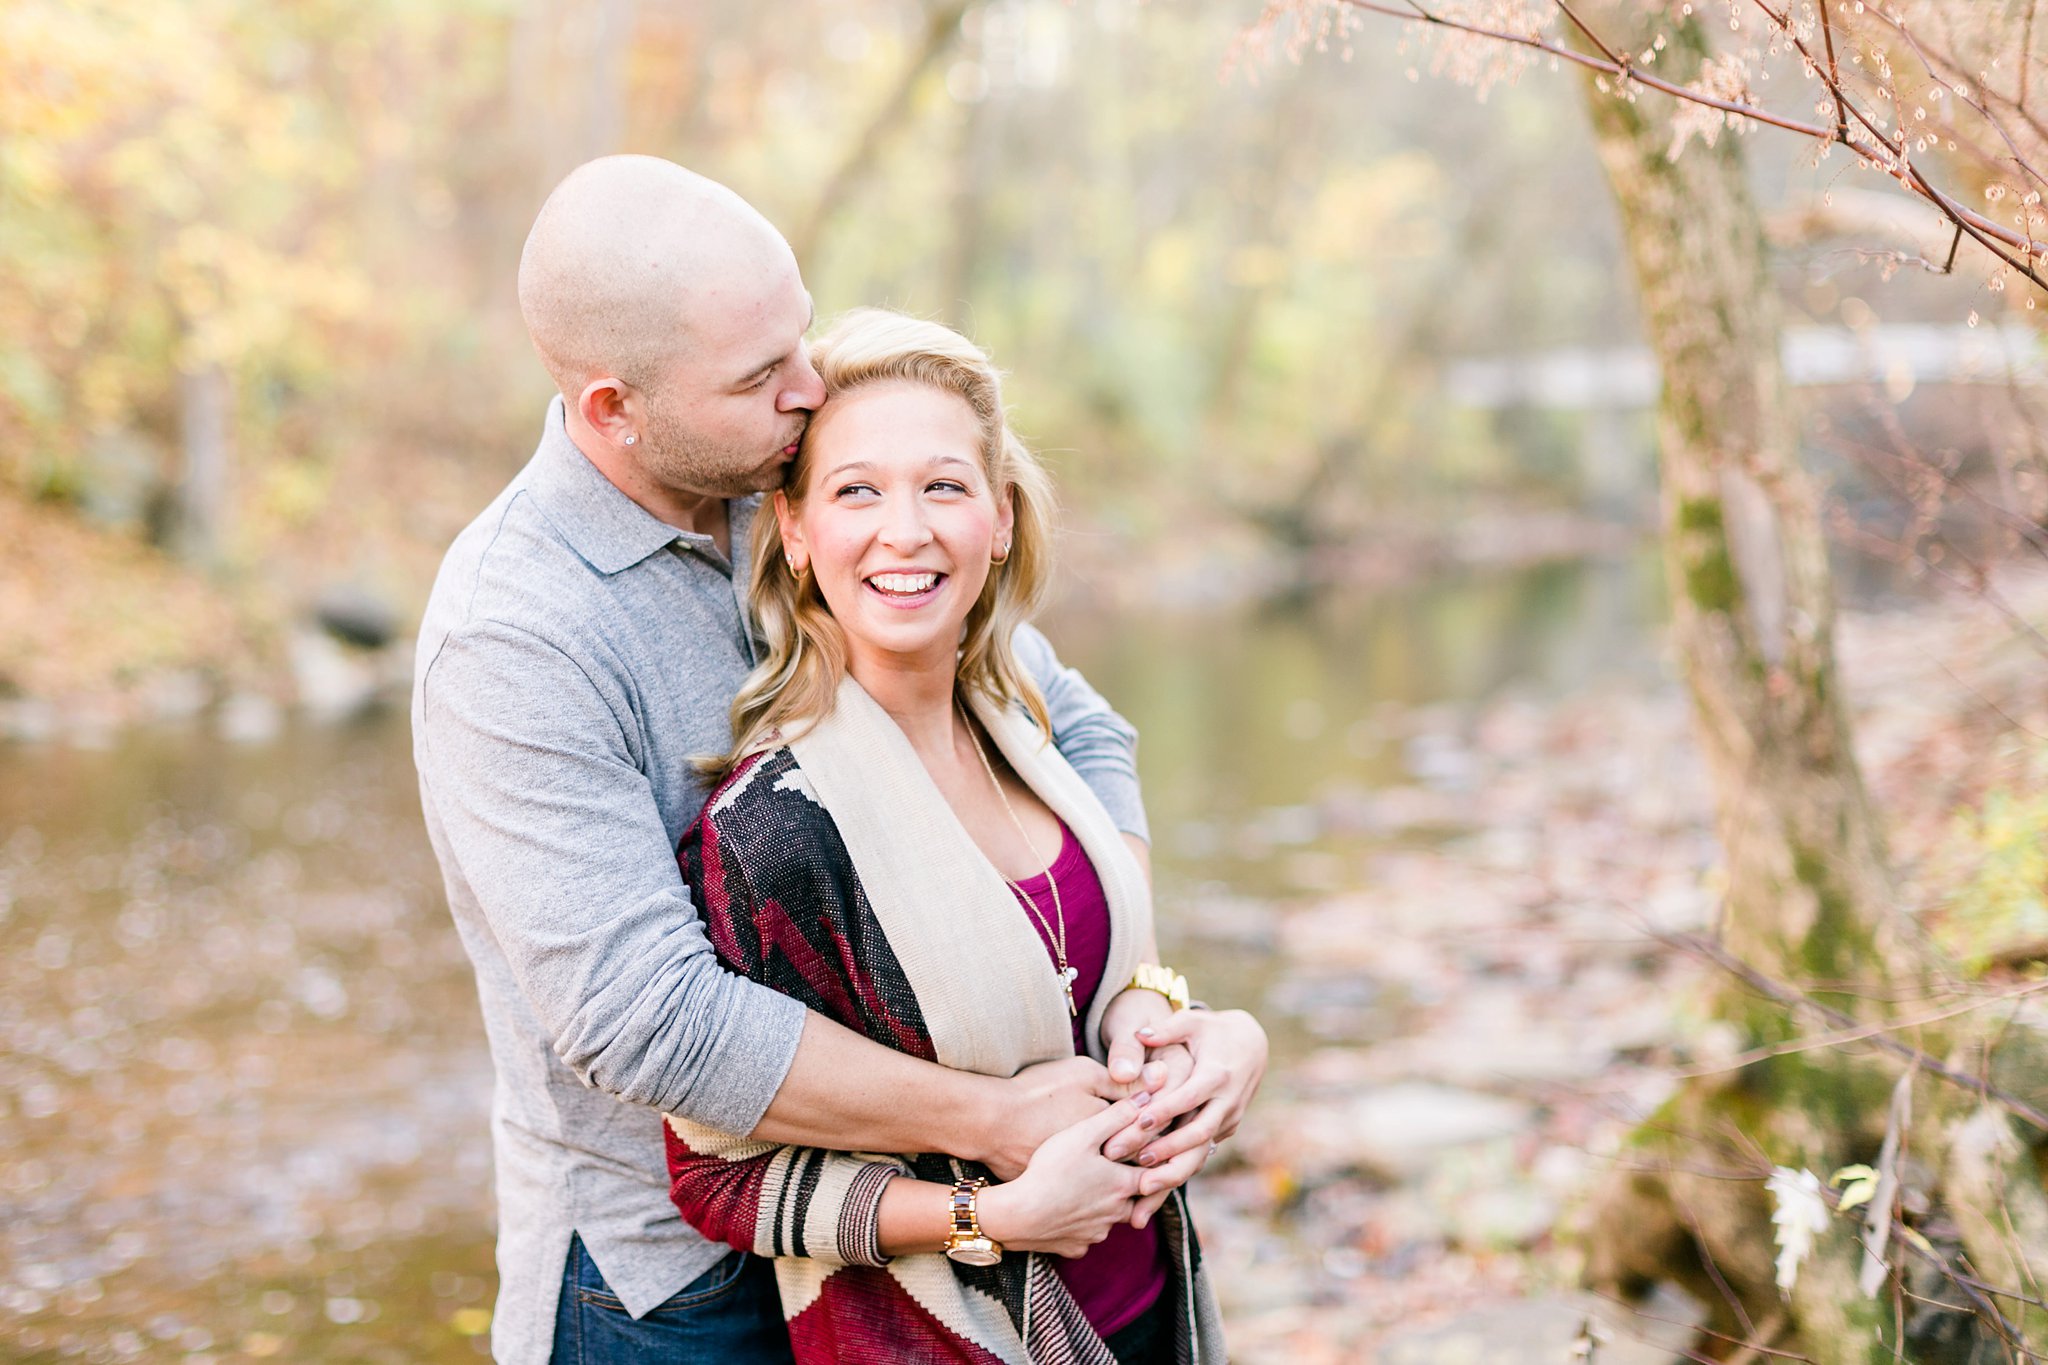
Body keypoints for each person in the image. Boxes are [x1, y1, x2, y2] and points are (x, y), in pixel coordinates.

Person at [412, 156, 1263, 1365]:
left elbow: (1067, 727)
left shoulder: (801, 480)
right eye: (763, 374)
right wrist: (994, 1121)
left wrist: (1134, 988)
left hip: (930, 1249)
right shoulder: (513, 636)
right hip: (676, 1283)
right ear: (615, 408)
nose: (811, 388)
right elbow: (649, 1022)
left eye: (799, 338)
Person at [664, 308, 1263, 1363]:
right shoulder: (775, 832)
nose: (905, 530)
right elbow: (718, 1178)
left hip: (1145, 1308)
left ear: (998, 521)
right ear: (794, 536)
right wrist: (988, 1219)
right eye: (856, 491)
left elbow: (1089, 992)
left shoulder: (1028, 731)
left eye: (943, 485)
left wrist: (1207, 1040)